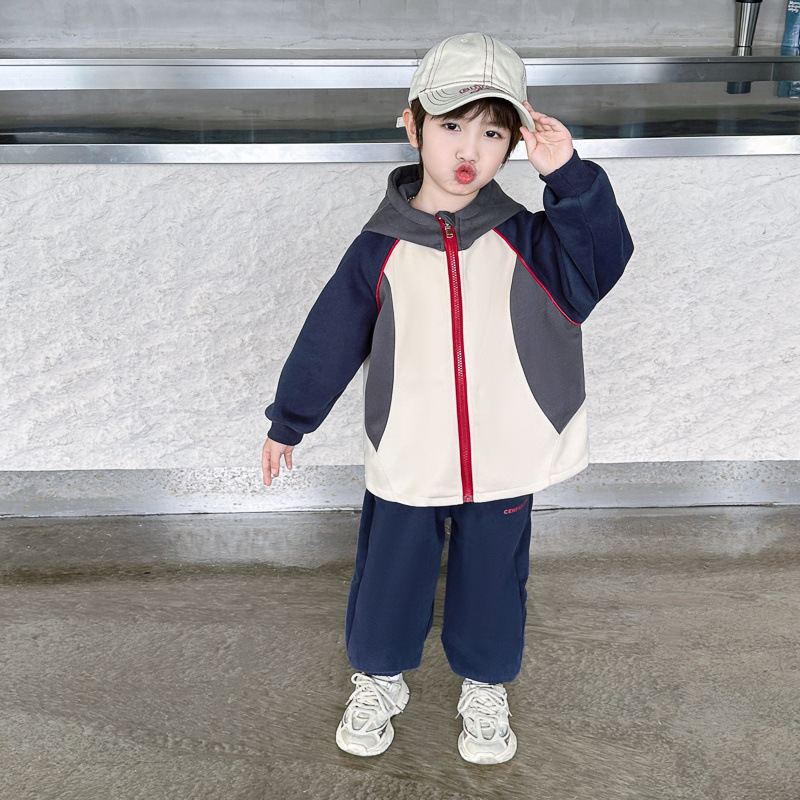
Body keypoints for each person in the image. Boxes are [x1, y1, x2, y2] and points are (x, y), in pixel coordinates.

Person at [261, 31, 634, 764]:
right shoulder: (380, 246)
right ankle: (380, 679)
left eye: (493, 132)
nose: (470, 149)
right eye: (452, 125)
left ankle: (485, 687)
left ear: (516, 141)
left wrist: (569, 178)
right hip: (410, 449)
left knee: (494, 576)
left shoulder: (531, 240)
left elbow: (603, 259)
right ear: (413, 126)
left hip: (507, 451)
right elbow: (329, 337)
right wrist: (289, 421)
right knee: (389, 572)